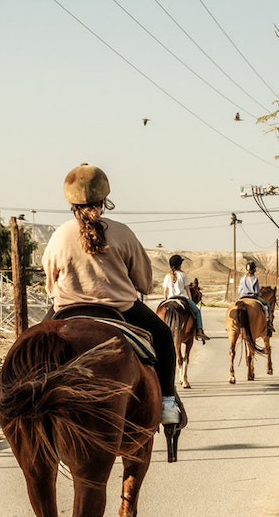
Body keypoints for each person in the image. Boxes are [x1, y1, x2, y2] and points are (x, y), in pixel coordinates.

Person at [41, 163, 181, 425]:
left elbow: (50, 283)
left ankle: (29, 407)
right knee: (162, 337)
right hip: (122, 310)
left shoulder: (59, 235)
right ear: (104, 199)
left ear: (70, 203)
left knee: (31, 345)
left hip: (65, 309)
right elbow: (143, 281)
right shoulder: (123, 233)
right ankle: (168, 405)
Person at [162, 254, 210, 342]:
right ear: (179, 264)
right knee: (197, 311)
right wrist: (190, 300)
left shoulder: (167, 276)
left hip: (170, 298)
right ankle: (199, 330)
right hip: (182, 297)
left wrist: (165, 300)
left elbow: (165, 290)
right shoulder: (183, 275)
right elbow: (187, 289)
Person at [238, 259, 272, 331]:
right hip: (253, 297)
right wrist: (259, 294)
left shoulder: (242, 279)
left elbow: (239, 290)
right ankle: (268, 323)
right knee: (267, 306)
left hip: (243, 296)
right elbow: (256, 291)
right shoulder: (255, 279)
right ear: (254, 269)